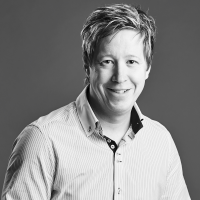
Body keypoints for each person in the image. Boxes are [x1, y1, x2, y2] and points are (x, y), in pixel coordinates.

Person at [1, 3, 191, 200]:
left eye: (131, 62)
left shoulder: (161, 142)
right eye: (107, 61)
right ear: (88, 65)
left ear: (147, 68)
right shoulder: (43, 140)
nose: (120, 77)